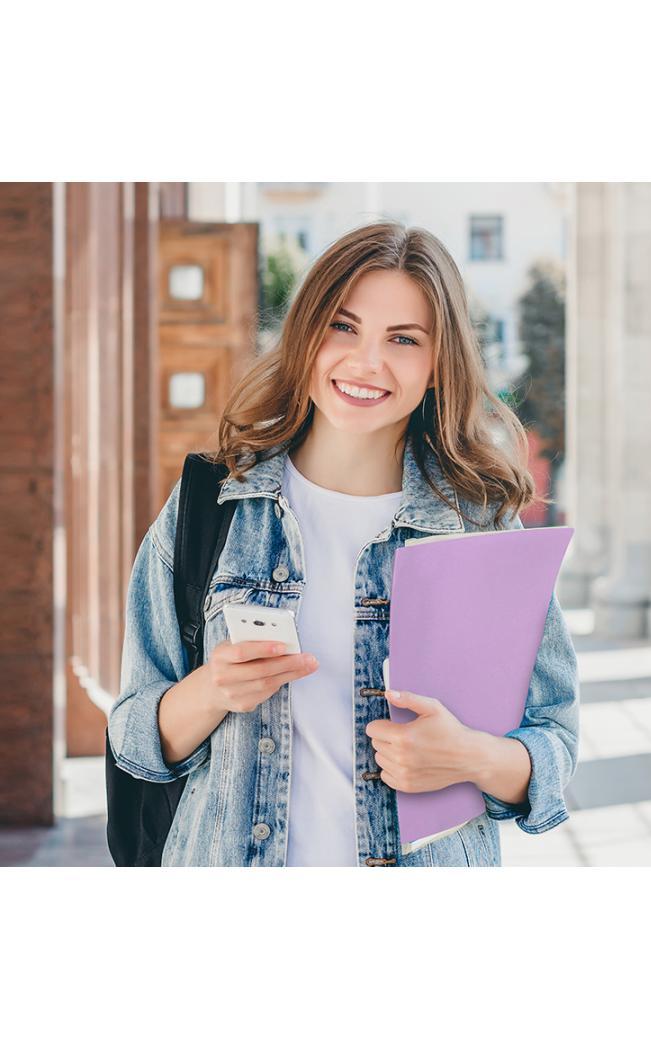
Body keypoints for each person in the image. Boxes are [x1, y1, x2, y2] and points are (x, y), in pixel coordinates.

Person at [107, 221, 580, 867]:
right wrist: (211, 690)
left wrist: (472, 757)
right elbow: (133, 734)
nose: (366, 362)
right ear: (305, 335)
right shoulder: (211, 506)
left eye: (404, 339)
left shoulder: (480, 526)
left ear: (439, 364)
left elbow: (554, 742)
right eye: (342, 326)